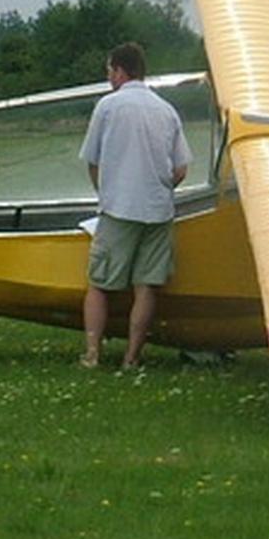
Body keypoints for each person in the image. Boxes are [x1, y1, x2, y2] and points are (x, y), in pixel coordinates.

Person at [78, 42, 191, 368]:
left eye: (109, 71)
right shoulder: (166, 110)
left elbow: (93, 160)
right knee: (146, 288)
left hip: (119, 209)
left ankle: (92, 354)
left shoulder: (108, 107)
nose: (109, 78)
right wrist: (158, 188)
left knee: (99, 285)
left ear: (119, 71)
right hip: (158, 211)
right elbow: (181, 169)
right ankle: (131, 358)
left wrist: (106, 192)